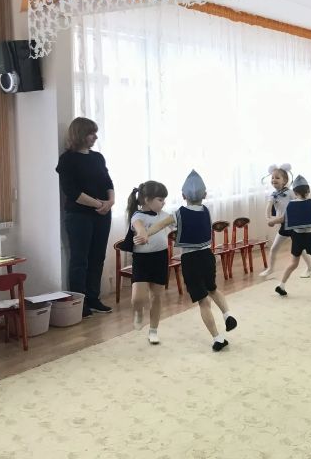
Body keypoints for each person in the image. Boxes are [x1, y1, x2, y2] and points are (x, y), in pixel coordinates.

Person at [140, 170, 237, 352]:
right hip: (207, 256)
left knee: (203, 301)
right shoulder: (206, 211)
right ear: (205, 195)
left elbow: (160, 225)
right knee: (213, 289)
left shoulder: (178, 213)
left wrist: (145, 233)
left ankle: (217, 338)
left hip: (191, 260)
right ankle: (227, 314)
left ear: (183, 196)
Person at [56, 117, 115, 318]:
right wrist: (99, 204)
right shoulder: (67, 160)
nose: (95, 137)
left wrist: (110, 202)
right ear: (80, 134)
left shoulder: (97, 158)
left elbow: (108, 182)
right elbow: (72, 192)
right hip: (79, 216)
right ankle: (79, 303)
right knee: (80, 259)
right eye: (91, 133)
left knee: (98, 257)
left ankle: (93, 298)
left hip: (102, 214)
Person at [268, 175, 311, 298]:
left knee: (293, 263)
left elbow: (283, 219)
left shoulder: (291, 205)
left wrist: (272, 221)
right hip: (310, 237)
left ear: (294, 193)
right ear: (308, 190)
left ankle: (281, 286)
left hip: (296, 237)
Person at [126, 181, 171, 344]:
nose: (163, 203)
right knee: (137, 299)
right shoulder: (138, 216)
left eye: (164, 199)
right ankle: (138, 312)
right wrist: (142, 234)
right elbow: (139, 228)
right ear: (147, 200)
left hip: (160, 258)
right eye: (160, 199)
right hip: (142, 260)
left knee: (156, 296)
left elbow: (178, 226)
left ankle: (153, 330)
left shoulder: (165, 215)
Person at [259, 164, 311, 278]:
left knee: (301, 248)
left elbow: (298, 204)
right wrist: (268, 219)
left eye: (277, 177)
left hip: (294, 226)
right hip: (284, 226)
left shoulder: (290, 193)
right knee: (274, 248)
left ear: (284, 181)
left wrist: (274, 221)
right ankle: (270, 269)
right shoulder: (273, 195)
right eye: (272, 177)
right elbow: (268, 208)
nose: (274, 179)